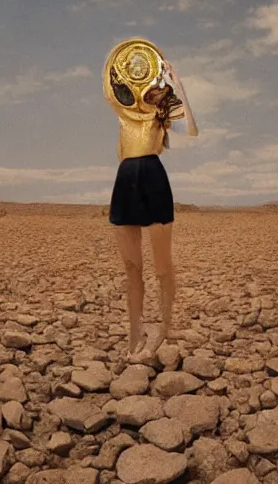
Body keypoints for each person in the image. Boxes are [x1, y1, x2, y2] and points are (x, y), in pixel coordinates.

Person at [102, 38, 199, 361]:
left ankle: (164, 328)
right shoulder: (122, 113)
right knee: (131, 266)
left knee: (162, 266)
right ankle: (134, 334)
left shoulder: (160, 114)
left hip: (153, 178)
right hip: (125, 180)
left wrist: (177, 83)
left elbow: (192, 129)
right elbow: (109, 85)